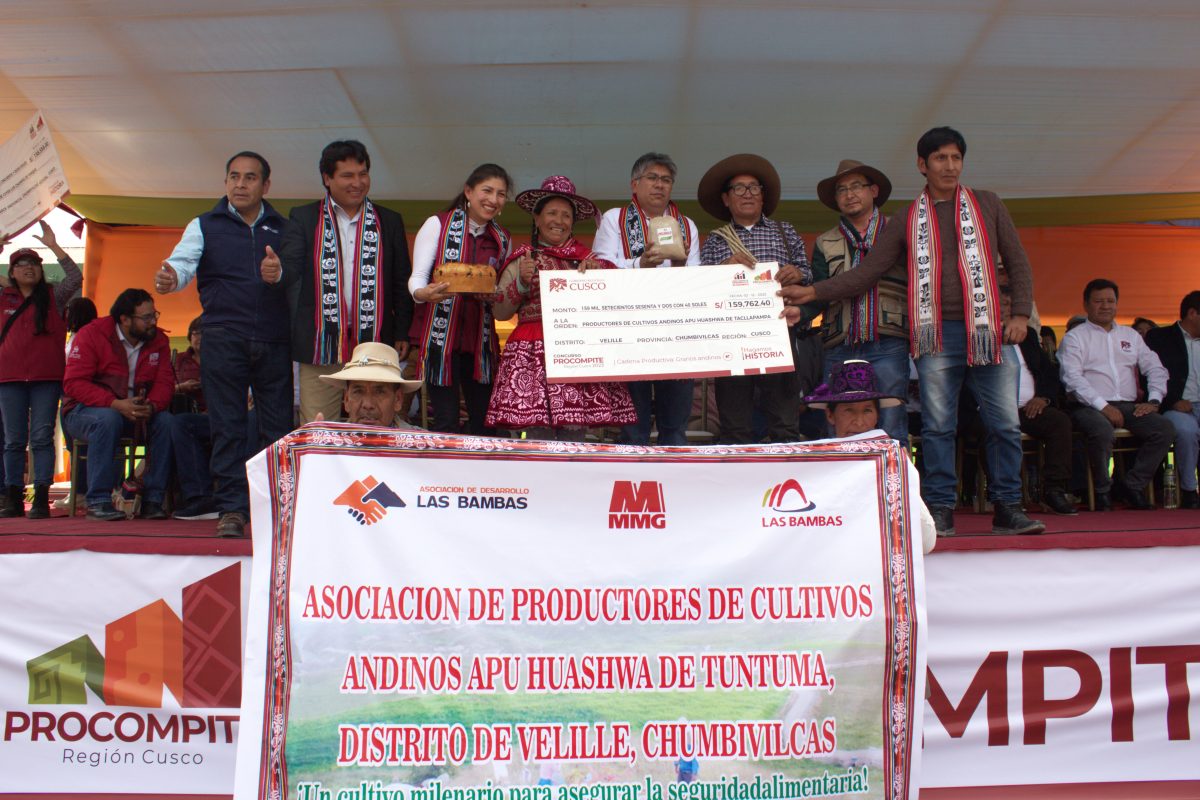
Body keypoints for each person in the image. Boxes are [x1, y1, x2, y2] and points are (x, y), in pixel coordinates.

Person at [782, 127, 1044, 537]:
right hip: (935, 334)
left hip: (989, 330)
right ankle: (940, 508)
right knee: (938, 427)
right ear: (923, 165)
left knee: (1005, 425)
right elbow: (868, 272)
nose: (949, 166)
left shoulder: (988, 203)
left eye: (956, 158)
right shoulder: (907, 218)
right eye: (940, 158)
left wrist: (1021, 315)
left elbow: (1017, 262)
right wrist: (813, 293)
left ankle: (1008, 507)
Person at [158, 151, 292, 536]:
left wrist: (280, 272)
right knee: (227, 426)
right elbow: (182, 263)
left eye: (250, 177)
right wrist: (172, 278)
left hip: (274, 337)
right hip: (222, 337)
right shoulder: (203, 224)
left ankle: (276, 508)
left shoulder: (285, 228)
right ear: (225, 182)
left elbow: (299, 275)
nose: (240, 184)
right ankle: (232, 509)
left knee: (277, 427)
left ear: (266, 185)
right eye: (234, 176)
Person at [486, 176, 636, 440]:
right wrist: (521, 281)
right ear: (537, 218)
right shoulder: (522, 259)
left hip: (575, 351)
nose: (559, 220)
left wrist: (600, 275)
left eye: (566, 215)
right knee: (537, 438)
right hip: (532, 355)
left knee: (574, 438)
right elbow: (500, 312)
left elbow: (616, 302)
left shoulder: (588, 260)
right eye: (552, 213)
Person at [277, 140, 414, 424]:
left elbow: (401, 280)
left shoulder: (388, 220)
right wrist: (276, 272)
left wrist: (402, 330)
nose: (357, 182)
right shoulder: (304, 217)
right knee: (318, 426)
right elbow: (289, 269)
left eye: (363, 174)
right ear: (327, 178)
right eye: (347, 175)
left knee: (376, 420)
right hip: (320, 343)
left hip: (374, 341)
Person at [61, 290, 210, 522]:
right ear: (125, 319)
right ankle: (98, 501)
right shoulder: (92, 334)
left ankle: (152, 500)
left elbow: (164, 383)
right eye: (146, 317)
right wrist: (115, 404)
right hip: (85, 412)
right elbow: (74, 383)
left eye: (154, 315)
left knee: (167, 421)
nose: (153, 322)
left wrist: (152, 406)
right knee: (108, 419)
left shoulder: (158, 340)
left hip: (137, 411)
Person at [697, 153, 813, 444]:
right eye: (739, 188)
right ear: (726, 199)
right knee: (734, 422)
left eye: (754, 188)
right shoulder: (716, 239)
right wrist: (725, 269)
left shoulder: (785, 231)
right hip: (733, 336)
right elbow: (702, 287)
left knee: (784, 420)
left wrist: (797, 273)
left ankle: (786, 468)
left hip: (778, 331)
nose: (747, 193)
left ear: (763, 196)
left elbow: (809, 273)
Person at [592, 152, 701, 446]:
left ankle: (674, 472)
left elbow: (697, 279)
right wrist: (639, 264)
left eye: (666, 180)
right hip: (629, 330)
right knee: (633, 428)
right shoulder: (615, 218)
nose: (659, 185)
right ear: (634, 184)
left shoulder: (687, 224)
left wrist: (679, 266)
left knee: (675, 426)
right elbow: (601, 268)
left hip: (676, 331)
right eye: (652, 178)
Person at [408, 164, 513, 435]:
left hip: (481, 344)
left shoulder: (503, 239)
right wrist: (423, 294)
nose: (493, 199)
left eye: (501, 194)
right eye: (487, 190)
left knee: (485, 424)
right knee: (446, 422)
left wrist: (494, 296)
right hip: (440, 342)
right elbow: (417, 277)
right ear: (468, 191)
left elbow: (500, 289)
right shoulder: (438, 224)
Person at [809, 159, 908, 442]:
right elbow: (817, 294)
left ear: (873, 191)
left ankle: (892, 473)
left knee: (891, 425)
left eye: (856, 186)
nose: (849, 194)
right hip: (839, 344)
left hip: (888, 342)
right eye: (841, 190)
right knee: (838, 427)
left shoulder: (899, 232)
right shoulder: (825, 241)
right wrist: (798, 313)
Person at [1058, 279, 1174, 510]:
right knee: (1102, 431)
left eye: (1110, 301)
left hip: (1128, 405)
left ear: (1117, 304)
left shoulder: (1130, 335)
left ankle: (1132, 486)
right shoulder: (1075, 337)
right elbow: (1072, 379)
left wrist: (1154, 400)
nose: (1105, 306)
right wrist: (1103, 406)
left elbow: (1155, 368)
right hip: (1088, 406)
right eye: (1099, 301)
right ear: (1086, 304)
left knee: (1164, 428)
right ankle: (1102, 491)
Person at [804, 359, 936, 553]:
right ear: (830, 415)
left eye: (867, 411)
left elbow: (926, 541)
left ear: (877, 416)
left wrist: (901, 476)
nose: (859, 422)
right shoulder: (813, 466)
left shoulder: (893, 462)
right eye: (849, 410)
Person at [0, 222, 82, 518]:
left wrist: (53, 245)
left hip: (46, 378)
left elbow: (76, 277)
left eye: (34, 263)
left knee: (41, 438)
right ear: (11, 272)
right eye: (21, 264)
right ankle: (12, 496)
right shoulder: (3, 298)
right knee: (13, 440)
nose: (28, 268)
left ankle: (41, 498)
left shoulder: (53, 296)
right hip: (8, 379)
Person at [1145, 290, 1200, 508]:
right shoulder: (1160, 338)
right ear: (1193, 313)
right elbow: (1148, 375)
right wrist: (1172, 401)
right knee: (1187, 432)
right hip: (1176, 406)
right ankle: (1189, 490)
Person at [317, 342, 423, 428]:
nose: (368, 405)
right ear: (347, 400)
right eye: (358, 392)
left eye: (379, 392)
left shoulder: (422, 444)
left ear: (397, 400)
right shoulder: (328, 444)